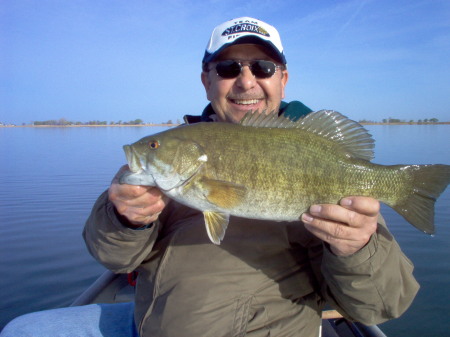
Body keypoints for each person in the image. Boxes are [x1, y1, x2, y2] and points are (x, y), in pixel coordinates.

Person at [1, 17, 419, 337]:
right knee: (21, 329)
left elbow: (381, 305)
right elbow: (112, 257)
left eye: (263, 67)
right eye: (227, 67)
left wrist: (358, 247)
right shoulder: (159, 162)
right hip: (153, 324)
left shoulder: (322, 162)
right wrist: (127, 219)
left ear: (283, 79)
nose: (246, 80)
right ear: (206, 80)